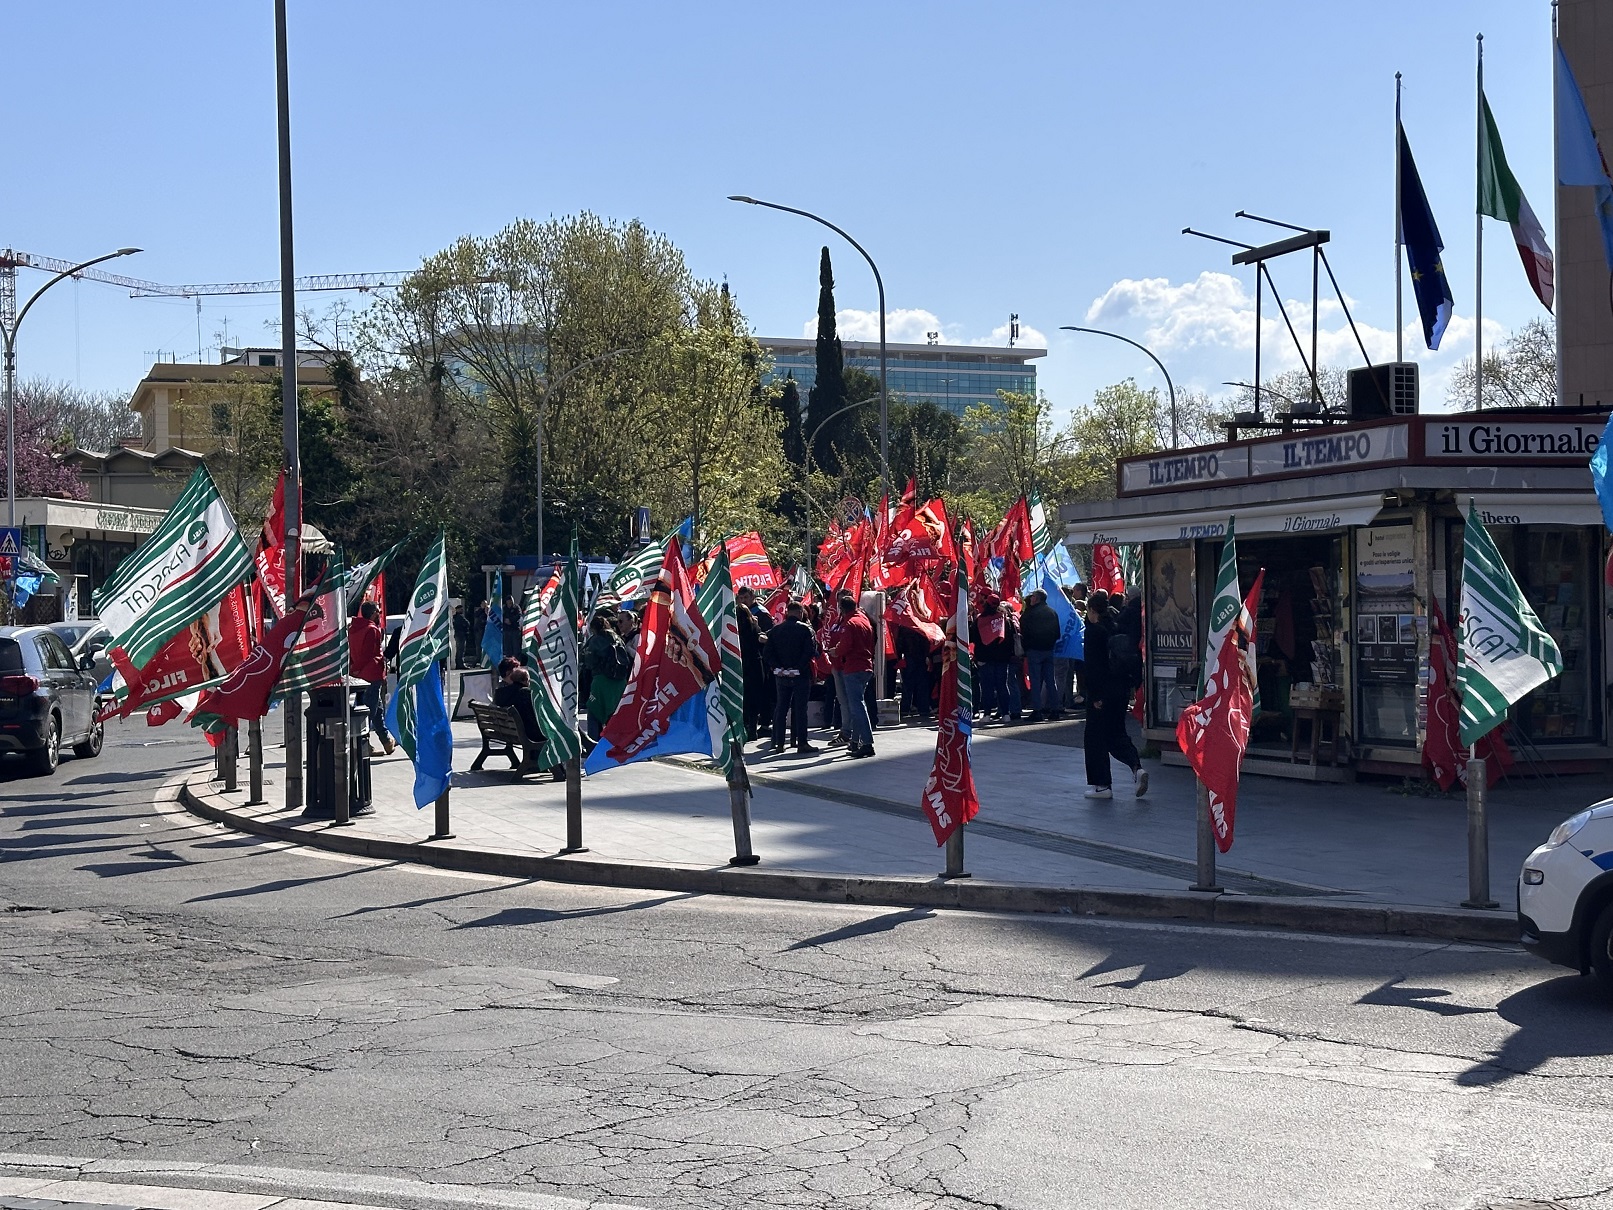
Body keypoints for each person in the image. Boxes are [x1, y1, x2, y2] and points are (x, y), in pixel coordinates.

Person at [1080, 588, 1147, 799]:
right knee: (1117, 733)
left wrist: (1096, 695)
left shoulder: (1094, 632)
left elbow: (1092, 667)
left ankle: (1102, 785)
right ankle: (1137, 767)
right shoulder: (1115, 627)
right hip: (1120, 690)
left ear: (1092, 610)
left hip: (1102, 692)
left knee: (1095, 737)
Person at [494, 656, 565, 781]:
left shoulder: (500, 693)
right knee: (558, 731)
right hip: (529, 734)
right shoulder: (524, 693)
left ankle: (538, 763)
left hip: (513, 731)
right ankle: (562, 769)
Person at [765, 600, 819, 755]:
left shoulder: (776, 630)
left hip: (781, 675)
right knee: (801, 708)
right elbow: (809, 651)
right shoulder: (805, 630)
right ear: (801, 613)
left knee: (781, 707)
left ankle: (778, 742)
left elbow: (768, 653)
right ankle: (802, 742)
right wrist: (797, 667)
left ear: (787, 612)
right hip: (800, 674)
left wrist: (778, 667)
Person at [829, 594, 876, 758]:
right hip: (866, 666)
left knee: (857, 707)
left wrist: (835, 651)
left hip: (853, 667)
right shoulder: (864, 621)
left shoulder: (850, 624)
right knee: (858, 706)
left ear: (841, 609)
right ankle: (855, 742)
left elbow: (844, 647)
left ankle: (867, 743)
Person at [349, 602, 395, 756]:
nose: (379, 614)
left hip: (360, 674)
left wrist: (354, 669)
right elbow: (370, 654)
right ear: (374, 612)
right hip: (371, 673)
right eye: (378, 611)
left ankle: (386, 740)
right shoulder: (372, 630)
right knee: (370, 710)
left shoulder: (353, 629)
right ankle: (363, 744)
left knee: (376, 709)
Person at [582, 614, 631, 743]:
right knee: (615, 714)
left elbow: (589, 661)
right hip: (620, 681)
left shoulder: (595, 640)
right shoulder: (618, 639)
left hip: (602, 680)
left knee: (594, 711)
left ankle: (593, 741)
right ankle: (616, 742)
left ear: (593, 628)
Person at [970, 593, 1017, 723]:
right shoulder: (1005, 620)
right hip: (1002, 659)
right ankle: (1006, 713)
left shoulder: (979, 620)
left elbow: (973, 638)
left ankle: (987, 714)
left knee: (987, 687)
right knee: (1002, 686)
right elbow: (1011, 639)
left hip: (984, 659)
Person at [1019, 588, 1062, 721]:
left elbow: (1023, 629)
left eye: (1032, 597)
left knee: (1036, 681)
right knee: (1050, 681)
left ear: (1036, 599)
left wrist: (1026, 648)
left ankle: (1037, 710)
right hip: (1048, 650)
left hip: (1034, 650)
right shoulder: (1052, 612)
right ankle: (1055, 709)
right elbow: (1057, 633)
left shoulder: (1031, 614)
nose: (1030, 599)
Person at [735, 586, 768, 741]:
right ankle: (752, 728)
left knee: (745, 699)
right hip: (754, 664)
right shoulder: (753, 626)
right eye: (740, 598)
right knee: (753, 698)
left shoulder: (735, 628)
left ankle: (746, 727)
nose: (743, 601)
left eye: (745, 598)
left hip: (742, 664)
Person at [451, 604, 471, 670]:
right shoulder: (459, 617)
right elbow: (467, 623)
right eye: (460, 609)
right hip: (461, 635)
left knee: (459, 650)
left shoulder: (454, 617)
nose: (462, 610)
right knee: (461, 650)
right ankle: (460, 664)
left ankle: (458, 663)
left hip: (457, 634)